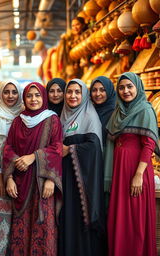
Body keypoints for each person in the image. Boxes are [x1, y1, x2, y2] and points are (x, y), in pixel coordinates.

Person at [3, 82, 63, 255]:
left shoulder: (52, 119)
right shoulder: (18, 121)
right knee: (20, 229)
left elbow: (56, 148)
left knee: (42, 227)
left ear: (43, 97)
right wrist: (9, 178)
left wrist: (50, 179)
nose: (33, 99)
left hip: (42, 181)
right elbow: (8, 149)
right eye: (29, 95)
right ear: (24, 98)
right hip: (21, 183)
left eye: (37, 95)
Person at [105, 72, 159, 256]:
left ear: (138, 87)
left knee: (135, 220)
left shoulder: (145, 109)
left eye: (129, 86)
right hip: (120, 172)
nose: (125, 91)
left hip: (137, 172)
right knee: (120, 219)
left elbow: (149, 145)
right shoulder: (119, 111)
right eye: (121, 87)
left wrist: (138, 175)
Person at [59, 79, 105, 256]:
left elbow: (94, 149)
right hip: (65, 179)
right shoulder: (62, 116)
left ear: (84, 95)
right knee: (66, 219)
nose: (72, 96)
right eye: (69, 92)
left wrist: (70, 149)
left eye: (77, 92)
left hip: (84, 182)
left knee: (80, 221)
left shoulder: (89, 116)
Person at [0, 79, 23, 255]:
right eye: (6, 92)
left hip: (22, 175)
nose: (10, 96)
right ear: (1, 94)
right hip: (0, 175)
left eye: (14, 92)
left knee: (20, 218)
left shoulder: (24, 115)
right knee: (1, 220)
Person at [90, 76, 116, 146]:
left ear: (109, 91)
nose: (98, 94)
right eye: (94, 90)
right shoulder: (89, 112)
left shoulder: (116, 113)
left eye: (102, 90)